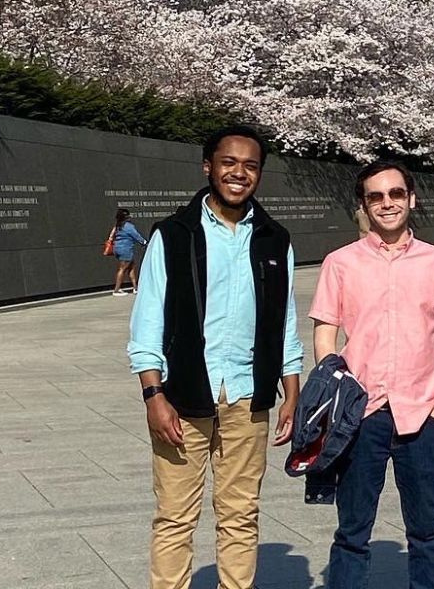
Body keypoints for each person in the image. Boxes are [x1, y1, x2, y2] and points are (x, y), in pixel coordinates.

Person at [126, 124, 304, 589]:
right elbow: (147, 324)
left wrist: (291, 390)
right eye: (229, 163)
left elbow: (283, 320)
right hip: (183, 397)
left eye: (250, 166)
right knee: (174, 517)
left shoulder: (274, 239)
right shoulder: (173, 234)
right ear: (208, 167)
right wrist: (153, 395)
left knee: (241, 516)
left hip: (248, 398)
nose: (239, 173)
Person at [309, 159, 434, 589]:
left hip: (421, 411)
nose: (387, 203)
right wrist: (336, 392)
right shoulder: (340, 263)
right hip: (361, 414)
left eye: (396, 194)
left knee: (425, 528)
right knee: (353, 530)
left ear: (411, 199)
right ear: (362, 204)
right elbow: (325, 332)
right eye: (376, 196)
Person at [111, 208, 148, 295]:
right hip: (126, 249)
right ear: (126, 217)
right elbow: (136, 235)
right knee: (122, 269)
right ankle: (116, 290)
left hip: (118, 248)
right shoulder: (128, 226)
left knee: (131, 267)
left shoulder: (118, 226)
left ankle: (135, 288)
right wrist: (144, 242)